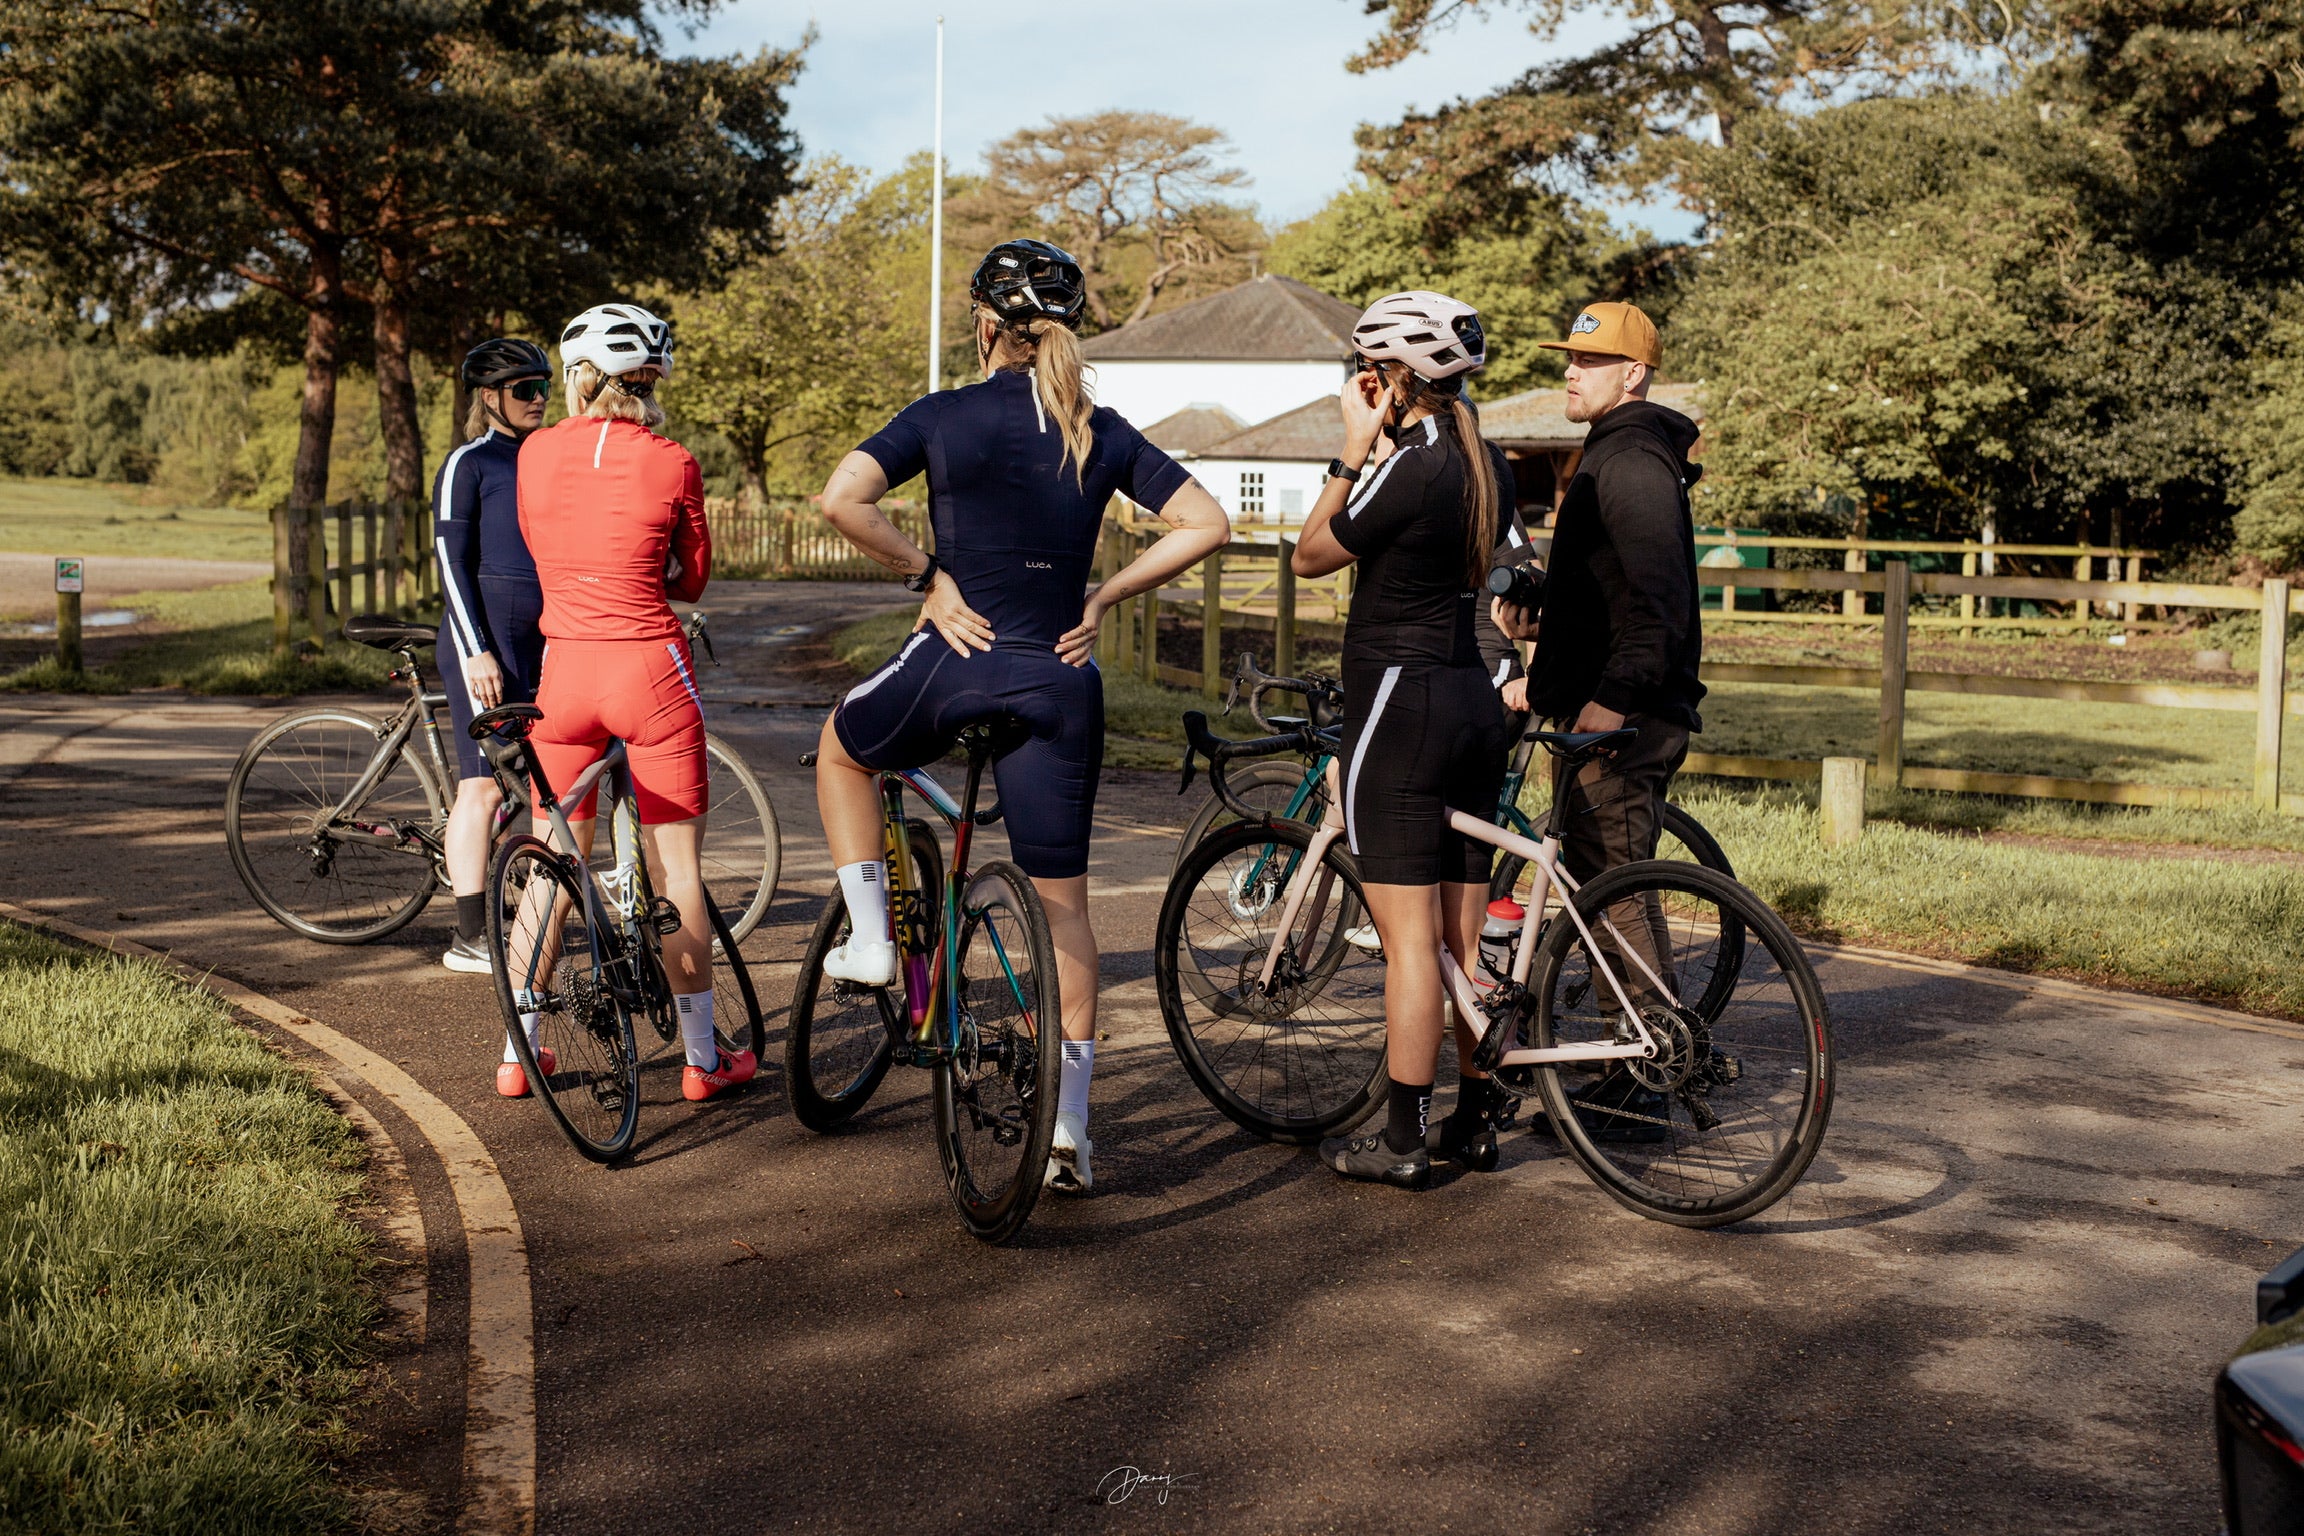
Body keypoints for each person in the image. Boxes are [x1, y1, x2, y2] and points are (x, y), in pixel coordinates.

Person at [814, 238, 1231, 1194]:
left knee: (844, 752)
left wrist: (928, 579)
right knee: (1065, 911)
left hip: (956, 660)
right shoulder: (1101, 426)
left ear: (985, 325)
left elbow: (843, 500)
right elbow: (1210, 522)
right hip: (1059, 678)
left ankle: (874, 939)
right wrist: (1104, 598)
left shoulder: (943, 415)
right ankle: (1070, 1133)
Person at [1289, 290, 1514, 1191]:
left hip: (1400, 700)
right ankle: (1476, 1121)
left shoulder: (1410, 460)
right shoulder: (1482, 456)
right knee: (1460, 942)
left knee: (1409, 942)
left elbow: (1309, 553)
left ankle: (1402, 1140)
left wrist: (1349, 450)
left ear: (1389, 377)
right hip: (1470, 702)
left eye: (1365, 371)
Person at [509, 301, 749, 1103]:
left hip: (564, 674)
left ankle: (519, 1051)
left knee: (550, 860)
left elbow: (544, 551)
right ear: (651, 382)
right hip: (648, 670)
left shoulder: (535, 455)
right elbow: (692, 579)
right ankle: (701, 1059)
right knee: (675, 867)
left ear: (578, 379)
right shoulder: (672, 459)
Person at [1493, 300, 1704, 1138]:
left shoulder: (1635, 462)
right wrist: (1539, 608)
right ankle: (1632, 1052)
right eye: (1569, 360)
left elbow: (1660, 606)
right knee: (1601, 882)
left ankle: (1651, 1067)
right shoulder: (1612, 454)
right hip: (1597, 710)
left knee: (1618, 889)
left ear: (1635, 372)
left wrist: (1610, 699)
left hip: (1626, 718)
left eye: (1590, 361)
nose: (1570, 372)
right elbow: (1603, 590)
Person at [433, 338, 554, 976]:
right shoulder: (468, 463)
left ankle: (533, 915)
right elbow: (450, 564)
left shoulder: (552, 454)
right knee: (480, 788)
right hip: (484, 642)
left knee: (542, 779)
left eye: (543, 386)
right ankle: (469, 937)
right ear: (489, 397)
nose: (538, 398)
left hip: (543, 636)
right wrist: (477, 650)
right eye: (522, 389)